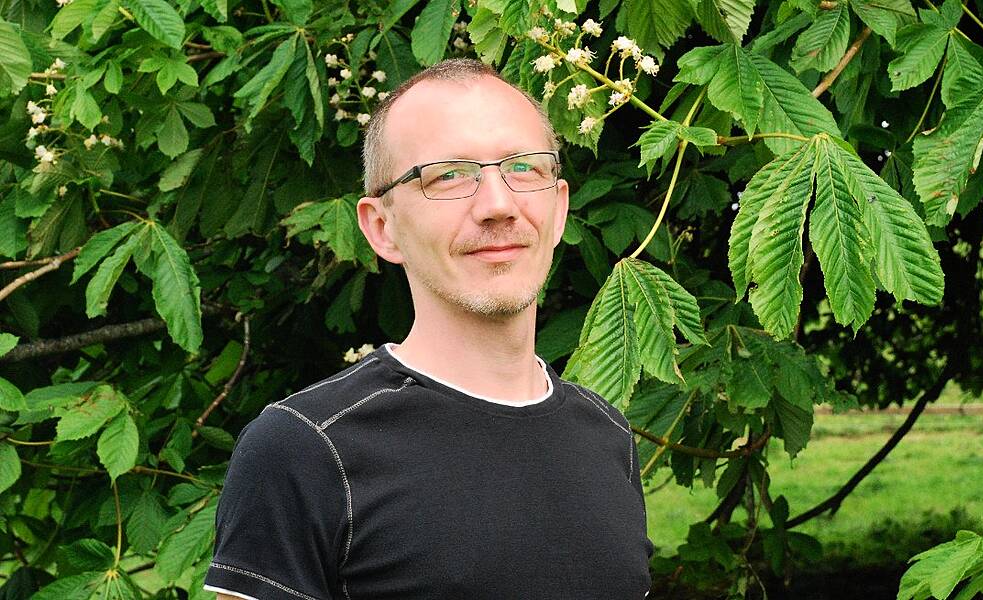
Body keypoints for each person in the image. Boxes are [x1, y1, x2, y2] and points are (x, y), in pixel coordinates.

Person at [204, 58, 652, 600]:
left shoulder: (607, 435)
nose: (497, 205)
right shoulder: (306, 448)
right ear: (382, 228)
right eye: (449, 175)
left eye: (523, 168)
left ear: (558, 210)